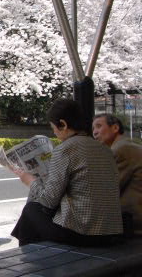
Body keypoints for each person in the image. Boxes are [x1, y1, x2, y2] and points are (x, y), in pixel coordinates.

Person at [11, 99, 123, 246]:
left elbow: (48, 201)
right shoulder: (104, 149)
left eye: (54, 128)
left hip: (82, 234)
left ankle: (29, 261)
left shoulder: (65, 149)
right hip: (111, 232)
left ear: (63, 124)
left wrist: (30, 181)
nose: (55, 132)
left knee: (31, 210)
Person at [93, 113, 142, 236]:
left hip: (132, 222)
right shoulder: (128, 146)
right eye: (93, 128)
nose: (95, 132)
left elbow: (106, 190)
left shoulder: (121, 150)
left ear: (115, 128)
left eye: (99, 126)